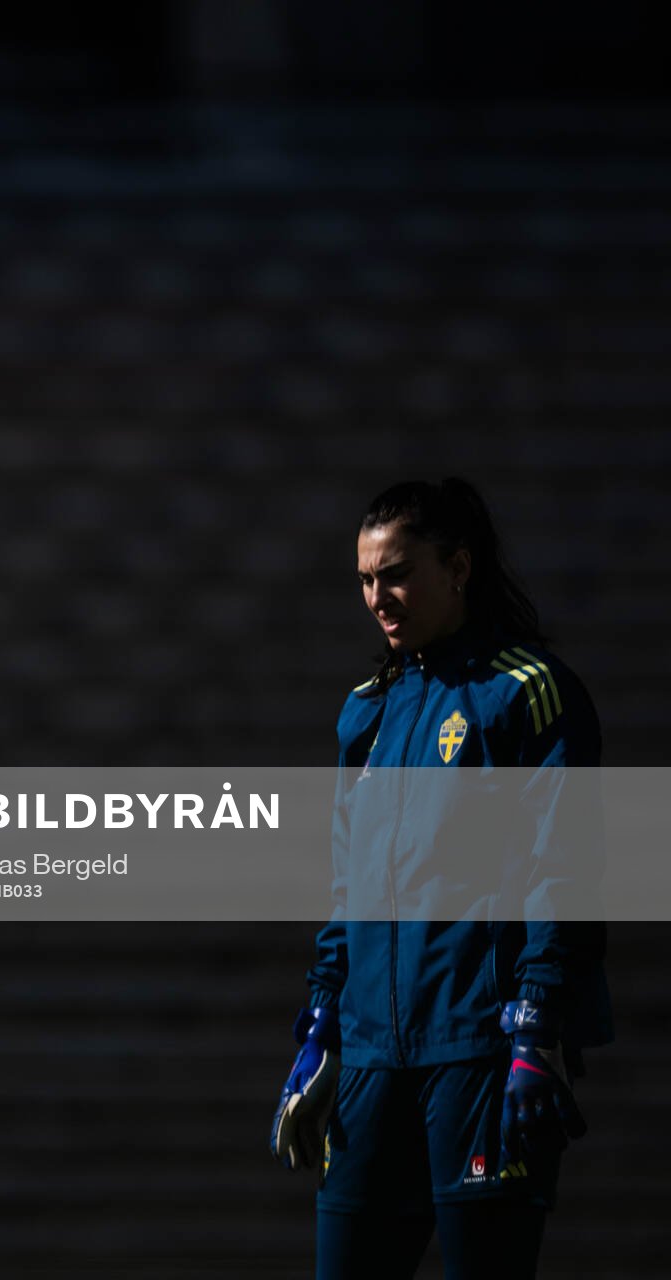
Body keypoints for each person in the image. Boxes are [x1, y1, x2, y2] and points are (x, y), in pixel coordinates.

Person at [268, 478, 612, 1279]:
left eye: (396, 573)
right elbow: (347, 882)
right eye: (364, 579)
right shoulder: (368, 711)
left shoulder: (527, 693)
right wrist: (322, 1025)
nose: (378, 597)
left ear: (458, 567)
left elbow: (565, 873)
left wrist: (535, 1031)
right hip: (371, 1064)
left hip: (481, 1058)